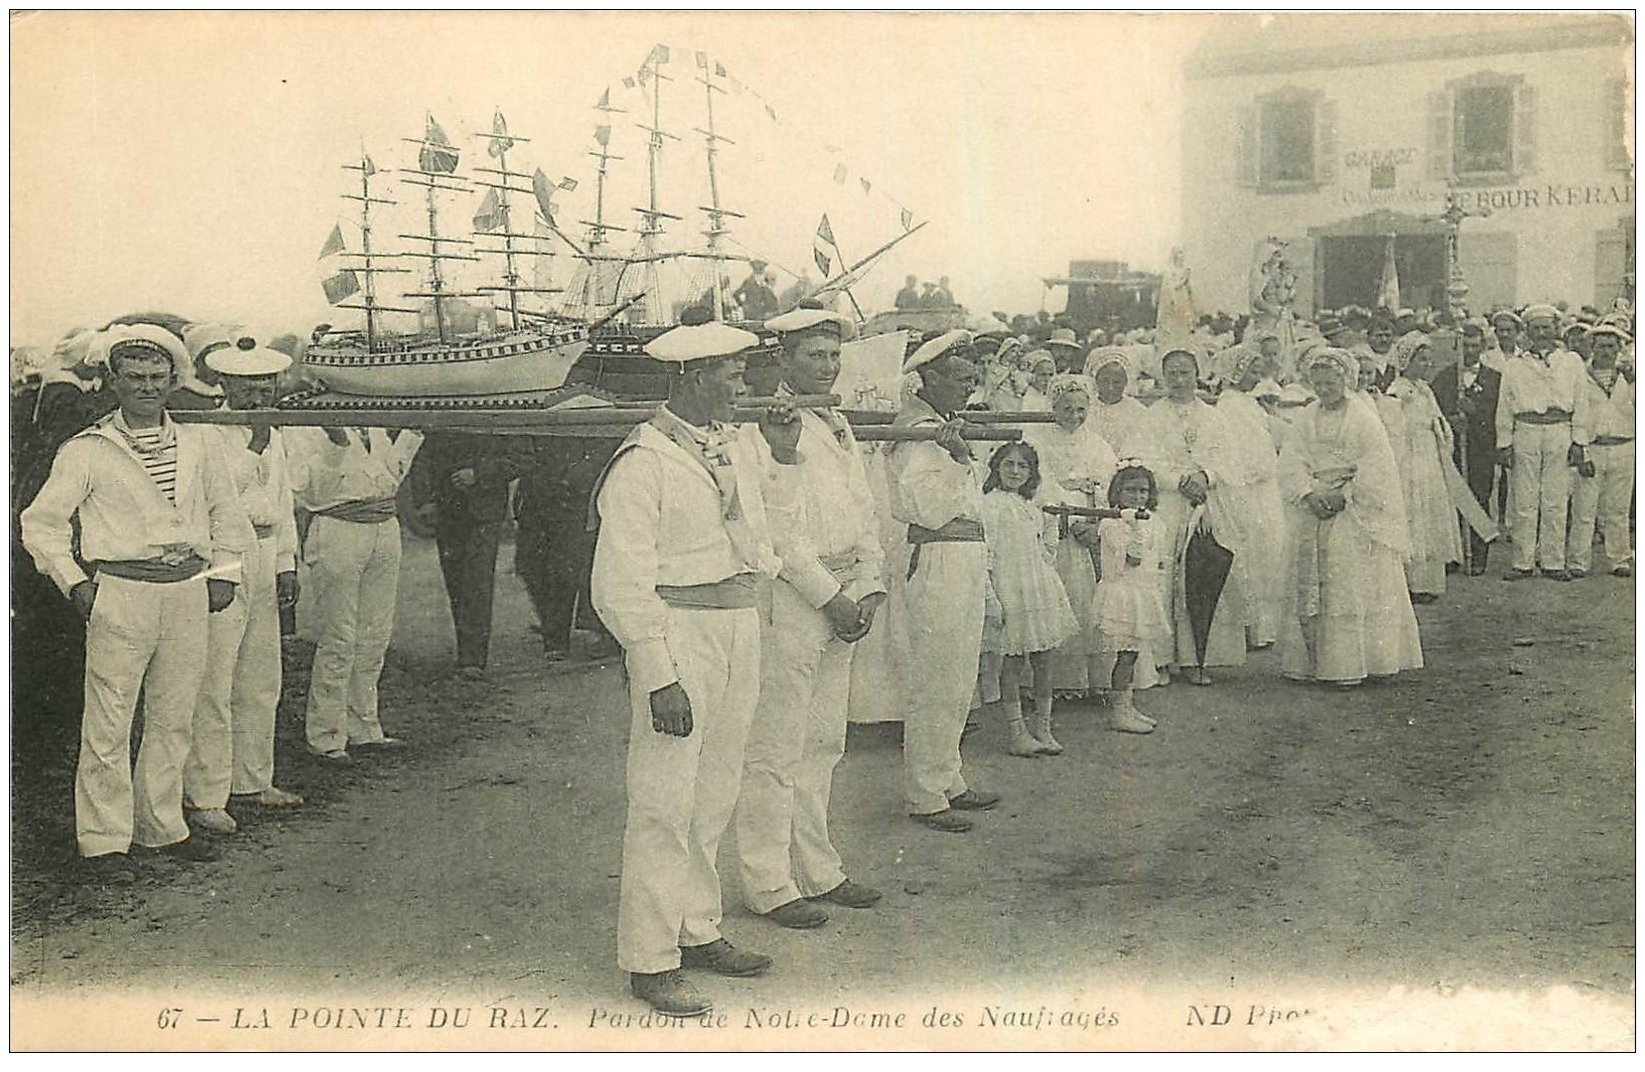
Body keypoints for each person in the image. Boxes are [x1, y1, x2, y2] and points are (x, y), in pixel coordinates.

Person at [590, 313, 800, 1017]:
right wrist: (658, 673)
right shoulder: (642, 459)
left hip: (737, 623)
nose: (744, 386)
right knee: (663, 801)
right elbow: (619, 583)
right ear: (692, 376)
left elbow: (763, 536)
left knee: (714, 793)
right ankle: (649, 959)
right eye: (733, 375)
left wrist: (780, 457)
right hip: (677, 634)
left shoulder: (730, 447)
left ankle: (696, 928)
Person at [20, 324, 255, 878]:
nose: (147, 387)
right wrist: (75, 583)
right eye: (134, 378)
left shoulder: (201, 443)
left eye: (157, 377)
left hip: (186, 593)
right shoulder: (87, 449)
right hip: (120, 593)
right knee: (109, 720)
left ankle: (162, 827)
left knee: (175, 715)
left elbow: (227, 514)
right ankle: (103, 841)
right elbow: (41, 524)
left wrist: (225, 572)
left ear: (175, 379)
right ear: (112, 381)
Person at [734, 305, 887, 931]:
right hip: (797, 597)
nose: (828, 366)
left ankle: (818, 868)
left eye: (833, 355)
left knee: (825, 740)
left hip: (848, 591)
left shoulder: (840, 421)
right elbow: (776, 526)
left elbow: (862, 507)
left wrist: (871, 583)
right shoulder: (764, 425)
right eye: (814, 355)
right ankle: (768, 882)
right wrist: (830, 595)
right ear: (783, 360)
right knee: (776, 744)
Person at [181, 340, 305, 837]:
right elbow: (218, 496)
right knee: (215, 677)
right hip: (221, 555)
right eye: (248, 387)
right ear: (225, 386)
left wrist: (286, 563)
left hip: (264, 549)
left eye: (266, 385)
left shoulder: (276, 432)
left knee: (260, 673)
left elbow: (284, 499)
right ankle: (207, 794)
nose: (259, 395)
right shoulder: (206, 432)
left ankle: (252, 779)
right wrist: (253, 446)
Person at [890, 329, 1003, 833]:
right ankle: (924, 792)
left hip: (964, 556)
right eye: (958, 378)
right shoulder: (917, 432)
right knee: (935, 678)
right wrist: (958, 460)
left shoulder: (943, 426)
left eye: (972, 377)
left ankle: (947, 774)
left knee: (959, 676)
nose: (968, 386)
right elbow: (928, 508)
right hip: (937, 556)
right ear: (928, 378)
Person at [1276, 348, 1423, 685]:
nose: (1325, 389)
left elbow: (1378, 466)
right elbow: (1291, 460)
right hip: (1315, 503)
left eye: (1331, 382)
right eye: (1319, 383)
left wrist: (1343, 496)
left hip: (1353, 508)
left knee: (1350, 579)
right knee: (1314, 579)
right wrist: (1309, 492)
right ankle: (1315, 662)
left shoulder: (1363, 417)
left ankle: (1361, 662)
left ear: (1346, 380)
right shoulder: (1306, 416)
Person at [285, 420, 423, 762]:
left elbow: (390, 476)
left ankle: (364, 726)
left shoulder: (369, 419)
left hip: (383, 527)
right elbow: (306, 491)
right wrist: (335, 441)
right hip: (338, 527)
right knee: (339, 636)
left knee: (375, 634)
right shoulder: (300, 425)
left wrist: (413, 434)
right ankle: (326, 734)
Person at [1147, 347, 1247, 685]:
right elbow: (1141, 459)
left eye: (1184, 372)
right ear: (1163, 377)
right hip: (1168, 503)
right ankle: (1161, 659)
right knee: (1164, 579)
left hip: (1203, 504)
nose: (1178, 380)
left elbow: (1230, 459)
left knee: (1199, 577)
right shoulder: (1153, 415)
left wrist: (1205, 475)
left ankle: (1194, 658)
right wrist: (1177, 481)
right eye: (1171, 373)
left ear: (1196, 374)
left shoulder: (1213, 416)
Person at [980, 439, 1080, 756]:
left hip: (1039, 587)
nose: (1014, 470)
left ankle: (1043, 727)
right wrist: (992, 598)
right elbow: (988, 555)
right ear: (996, 467)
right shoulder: (990, 505)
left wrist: (1051, 524)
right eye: (1008, 464)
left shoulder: (1030, 505)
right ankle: (1017, 731)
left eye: (1023, 465)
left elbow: (1045, 552)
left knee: (1044, 660)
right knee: (1012, 663)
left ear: (1032, 472)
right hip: (1010, 588)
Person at [408, 432, 525, 678]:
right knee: (456, 582)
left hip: (485, 512)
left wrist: (480, 474)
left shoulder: (499, 406)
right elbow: (420, 454)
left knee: (478, 581)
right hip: (446, 509)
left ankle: (473, 659)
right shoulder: (443, 403)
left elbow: (521, 458)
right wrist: (425, 500)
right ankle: (466, 651)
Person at [1036, 374, 1120, 697]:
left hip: (1089, 525)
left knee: (1089, 599)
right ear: (1054, 407)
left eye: (1080, 409)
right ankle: (1056, 682)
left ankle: (1092, 679)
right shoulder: (1040, 442)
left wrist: (1095, 523)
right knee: (1062, 597)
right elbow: (1043, 485)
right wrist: (1070, 518)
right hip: (1057, 526)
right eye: (1066, 408)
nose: (1074, 416)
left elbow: (1108, 485)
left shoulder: (1097, 444)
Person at [1495, 304, 1591, 581]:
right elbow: (1505, 405)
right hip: (1525, 430)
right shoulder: (1515, 364)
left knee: (1555, 499)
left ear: (1555, 330)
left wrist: (1579, 441)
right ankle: (1523, 562)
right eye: (1535, 328)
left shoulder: (1571, 362)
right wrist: (1504, 443)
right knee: (1524, 498)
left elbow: (1581, 403)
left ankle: (1553, 562)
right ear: (1527, 331)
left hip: (1559, 430)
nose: (1541, 333)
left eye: (1546, 327)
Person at [1213, 345, 1288, 645]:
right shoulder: (1229, 405)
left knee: (1268, 552)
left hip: (1263, 487)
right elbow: (1242, 452)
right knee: (1255, 552)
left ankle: (1264, 626)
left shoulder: (1248, 403)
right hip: (1247, 487)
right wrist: (1264, 467)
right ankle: (1253, 628)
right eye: (1252, 371)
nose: (1257, 377)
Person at [516, 438, 613, 659]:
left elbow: (605, 447)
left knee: (568, 567)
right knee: (530, 566)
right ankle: (553, 630)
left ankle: (563, 638)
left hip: (573, 497)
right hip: (536, 493)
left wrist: (574, 476)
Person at [1384, 332, 1462, 600]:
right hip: (1410, 456)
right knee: (1413, 513)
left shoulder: (1425, 390)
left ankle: (1430, 581)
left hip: (1429, 454)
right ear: (1406, 362)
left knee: (1431, 512)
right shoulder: (1399, 391)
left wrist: (1443, 431)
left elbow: (1437, 420)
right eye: (1421, 360)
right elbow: (1394, 428)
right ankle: (1412, 582)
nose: (1427, 365)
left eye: (1430, 360)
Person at [1093, 465, 1169, 733]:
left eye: (1143, 491)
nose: (1138, 497)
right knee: (1125, 655)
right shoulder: (1112, 523)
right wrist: (1134, 524)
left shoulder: (1151, 520)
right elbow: (1133, 558)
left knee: (1133, 654)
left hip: (1142, 590)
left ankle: (1127, 706)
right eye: (1130, 491)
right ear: (1118, 492)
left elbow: (1155, 556)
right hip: (1122, 594)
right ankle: (1119, 713)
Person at [1430, 320, 1502, 575]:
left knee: (1479, 498)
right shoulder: (1444, 378)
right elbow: (1433, 411)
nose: (1469, 352)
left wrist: (1476, 414)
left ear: (1482, 347)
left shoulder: (1494, 379)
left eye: (1474, 346)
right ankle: (1453, 553)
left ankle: (1479, 555)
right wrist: (1452, 419)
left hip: (1481, 449)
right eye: (1464, 347)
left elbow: (1499, 415)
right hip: (1453, 449)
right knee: (1452, 500)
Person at [1566, 324, 1634, 577]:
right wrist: (1581, 450)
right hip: (1593, 447)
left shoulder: (1630, 377)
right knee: (1584, 508)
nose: (1606, 352)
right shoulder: (1581, 377)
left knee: (1618, 508)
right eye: (1600, 346)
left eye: (1611, 346)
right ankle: (1578, 562)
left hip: (1624, 446)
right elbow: (1577, 415)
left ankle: (1619, 558)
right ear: (1591, 348)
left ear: (1619, 349)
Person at [1085, 349, 1156, 460]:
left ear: (1126, 382)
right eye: (1105, 381)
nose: (1110, 388)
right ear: (1095, 380)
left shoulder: (1138, 411)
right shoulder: (1086, 408)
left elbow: (1144, 446)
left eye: (1117, 382)